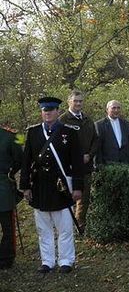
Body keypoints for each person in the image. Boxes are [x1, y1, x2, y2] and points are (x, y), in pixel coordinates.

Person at [20, 97, 84, 274]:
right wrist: (25, 186)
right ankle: (47, 261)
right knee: (43, 227)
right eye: (44, 110)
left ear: (57, 111)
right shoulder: (33, 132)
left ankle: (66, 260)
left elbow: (77, 162)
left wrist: (77, 187)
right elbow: (26, 161)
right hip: (40, 186)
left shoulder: (69, 133)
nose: (47, 113)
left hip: (61, 186)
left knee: (64, 227)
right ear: (41, 112)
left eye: (51, 110)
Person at [59, 90, 98, 230]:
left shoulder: (88, 120)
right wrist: (73, 158)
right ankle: (66, 226)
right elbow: (58, 144)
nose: (78, 103)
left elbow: (95, 140)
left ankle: (79, 225)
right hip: (68, 168)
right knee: (67, 198)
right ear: (69, 102)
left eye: (80, 101)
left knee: (84, 198)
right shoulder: (62, 120)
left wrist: (89, 155)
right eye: (75, 101)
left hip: (85, 166)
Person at [0, 116, 22, 270]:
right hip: (4, 186)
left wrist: (9, 174)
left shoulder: (11, 136)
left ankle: (6, 258)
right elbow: (19, 161)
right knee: (7, 225)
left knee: (7, 225)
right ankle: (6, 258)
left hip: (3, 188)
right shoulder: (11, 136)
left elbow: (20, 159)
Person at [95, 100, 129, 165]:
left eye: (118, 108)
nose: (116, 110)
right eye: (113, 108)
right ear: (107, 110)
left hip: (126, 164)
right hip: (108, 164)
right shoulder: (99, 125)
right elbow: (98, 148)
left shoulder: (127, 124)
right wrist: (99, 165)